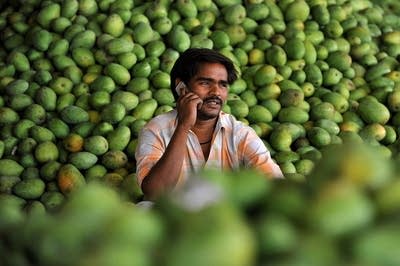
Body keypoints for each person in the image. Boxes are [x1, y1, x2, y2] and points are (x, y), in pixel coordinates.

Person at [135, 48, 283, 200]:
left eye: (223, 85)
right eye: (205, 83)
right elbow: (155, 193)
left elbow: (275, 184)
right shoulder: (155, 130)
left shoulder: (239, 133)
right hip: (174, 218)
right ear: (181, 87)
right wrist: (184, 126)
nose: (216, 92)